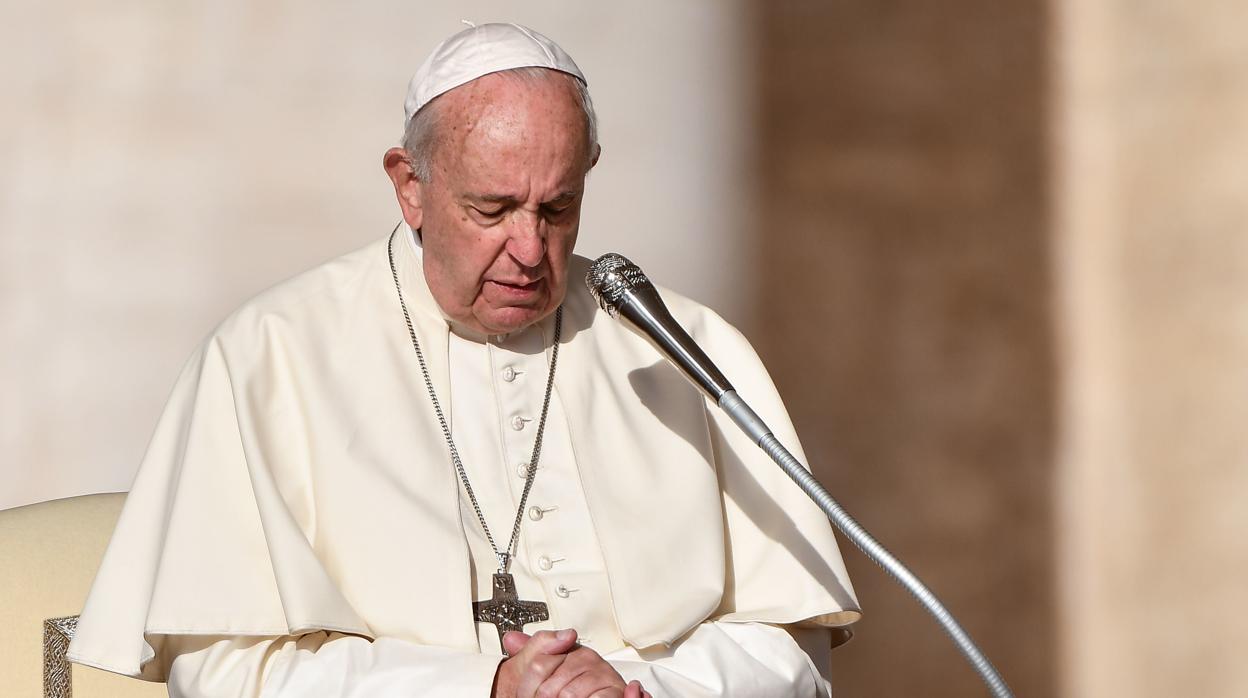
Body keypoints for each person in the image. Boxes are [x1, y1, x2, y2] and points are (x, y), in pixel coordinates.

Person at [67, 22, 860, 697]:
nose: (528, 249)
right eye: (492, 209)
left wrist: (640, 689)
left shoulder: (681, 349)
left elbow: (791, 642)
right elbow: (224, 673)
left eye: (557, 208)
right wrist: (478, 686)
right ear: (410, 186)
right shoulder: (270, 355)